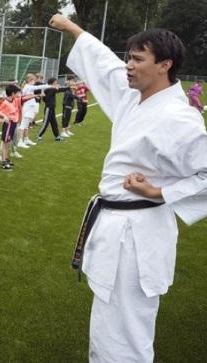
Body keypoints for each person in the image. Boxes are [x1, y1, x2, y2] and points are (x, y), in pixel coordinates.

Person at [50, 14, 207, 363]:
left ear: (165, 65)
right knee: (108, 323)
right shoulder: (134, 96)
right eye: (129, 57)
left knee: (127, 331)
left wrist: (161, 193)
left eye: (138, 59)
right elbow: (105, 65)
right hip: (116, 227)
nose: (128, 66)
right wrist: (75, 30)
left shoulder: (179, 118)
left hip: (139, 236)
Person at [17, 73, 51, 148]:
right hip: (27, 108)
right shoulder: (28, 86)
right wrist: (50, 86)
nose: (35, 81)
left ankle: (26, 139)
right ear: (30, 80)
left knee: (26, 125)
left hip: (30, 107)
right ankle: (20, 141)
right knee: (22, 125)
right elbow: (39, 87)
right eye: (34, 80)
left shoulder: (29, 86)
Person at [36, 77, 66, 141]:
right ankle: (39, 136)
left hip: (52, 108)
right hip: (48, 108)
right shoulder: (50, 89)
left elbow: (59, 89)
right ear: (52, 83)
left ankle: (57, 137)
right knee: (46, 123)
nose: (56, 83)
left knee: (54, 123)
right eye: (55, 82)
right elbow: (60, 89)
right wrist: (69, 87)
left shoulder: (50, 89)